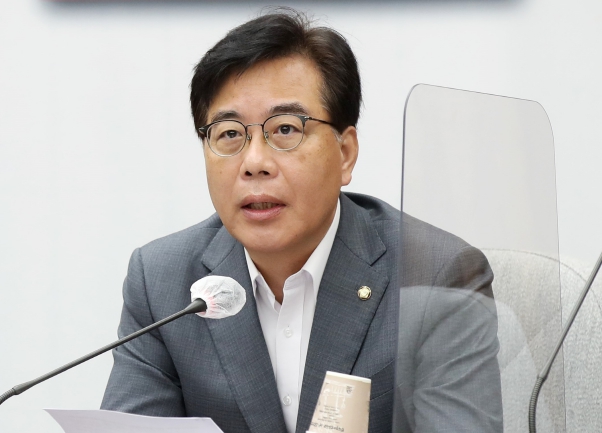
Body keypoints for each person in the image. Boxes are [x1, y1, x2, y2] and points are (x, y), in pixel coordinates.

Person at [101, 9, 503, 433]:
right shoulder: (162, 283)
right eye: (230, 134)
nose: (255, 162)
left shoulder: (435, 275)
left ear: (345, 154)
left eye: (286, 129)